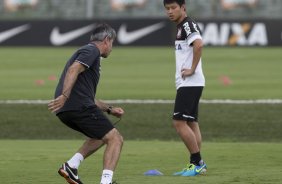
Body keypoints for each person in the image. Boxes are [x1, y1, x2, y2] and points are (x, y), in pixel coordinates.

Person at [48, 23, 123, 184]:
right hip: (76, 105)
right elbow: (73, 69)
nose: (111, 47)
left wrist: (110, 110)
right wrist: (65, 95)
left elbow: (88, 97)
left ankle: (71, 166)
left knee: (100, 136)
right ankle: (106, 182)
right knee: (115, 138)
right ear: (106, 40)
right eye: (112, 43)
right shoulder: (92, 50)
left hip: (67, 109)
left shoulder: (89, 53)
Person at [163, 0, 207, 176]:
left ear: (183, 8)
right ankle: (197, 163)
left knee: (179, 122)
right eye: (167, 9)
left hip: (190, 82)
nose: (170, 12)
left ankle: (197, 162)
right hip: (192, 83)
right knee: (191, 122)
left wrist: (192, 69)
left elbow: (199, 44)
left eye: (173, 8)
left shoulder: (188, 24)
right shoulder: (181, 26)